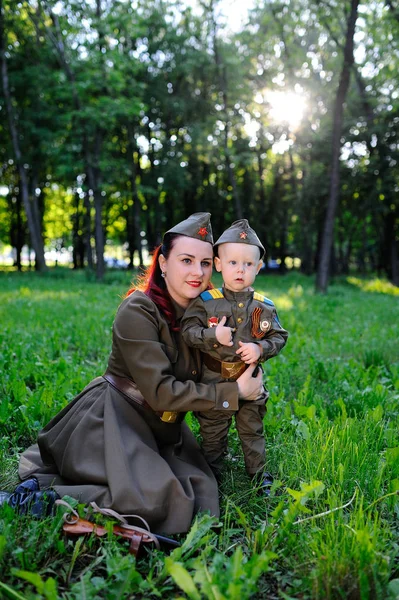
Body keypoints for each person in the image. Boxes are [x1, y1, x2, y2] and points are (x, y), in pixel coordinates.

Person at [1, 213, 263, 534]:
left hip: (164, 430)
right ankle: (39, 500)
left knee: (203, 491)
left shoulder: (204, 317)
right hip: (116, 419)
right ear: (163, 263)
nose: (198, 272)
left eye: (206, 263)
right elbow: (161, 392)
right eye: (186, 260)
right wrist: (234, 394)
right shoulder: (138, 310)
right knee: (157, 501)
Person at [181, 219, 288, 495]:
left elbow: (279, 336)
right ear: (218, 264)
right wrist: (211, 335)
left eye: (248, 264)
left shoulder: (264, 307)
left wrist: (260, 349)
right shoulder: (207, 301)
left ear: (258, 268)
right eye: (232, 263)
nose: (240, 270)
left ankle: (258, 475)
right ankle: (210, 474)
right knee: (212, 432)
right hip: (215, 381)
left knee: (252, 431)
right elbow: (188, 330)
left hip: (249, 382)